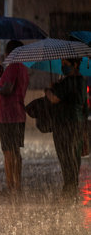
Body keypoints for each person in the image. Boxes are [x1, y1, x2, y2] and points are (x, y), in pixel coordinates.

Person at [0, 40, 29, 195]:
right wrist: (2, 75)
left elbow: (7, 89)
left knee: (8, 153)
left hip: (8, 116)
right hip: (18, 115)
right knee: (15, 152)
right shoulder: (21, 68)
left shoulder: (13, 66)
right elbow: (14, 85)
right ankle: (17, 185)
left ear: (10, 53)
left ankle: (10, 186)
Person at [45, 58, 87, 198]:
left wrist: (48, 91)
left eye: (65, 64)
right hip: (77, 124)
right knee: (74, 158)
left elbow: (54, 99)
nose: (63, 67)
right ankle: (72, 188)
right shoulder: (81, 81)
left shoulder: (68, 82)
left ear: (75, 64)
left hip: (64, 124)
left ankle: (68, 191)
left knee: (65, 157)